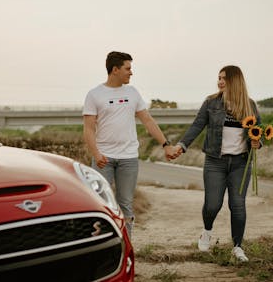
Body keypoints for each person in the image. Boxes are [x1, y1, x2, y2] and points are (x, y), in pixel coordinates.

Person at [172, 65, 261, 262]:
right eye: (219, 78)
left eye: (224, 78)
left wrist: (258, 141)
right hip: (215, 162)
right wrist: (182, 145)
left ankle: (237, 247)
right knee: (213, 205)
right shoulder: (211, 102)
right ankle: (207, 231)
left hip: (240, 163)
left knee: (237, 205)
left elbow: (258, 130)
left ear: (235, 81)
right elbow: (197, 125)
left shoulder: (250, 106)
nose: (220, 81)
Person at [83, 51, 177, 237]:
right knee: (101, 203)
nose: (131, 72)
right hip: (104, 158)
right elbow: (88, 129)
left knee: (125, 203)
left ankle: (126, 244)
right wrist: (96, 153)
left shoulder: (132, 93)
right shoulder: (95, 94)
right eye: (128, 68)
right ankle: (102, 244)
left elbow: (148, 120)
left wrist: (166, 144)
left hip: (129, 158)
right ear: (115, 69)